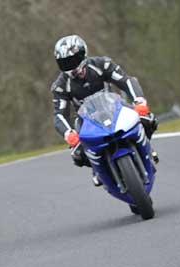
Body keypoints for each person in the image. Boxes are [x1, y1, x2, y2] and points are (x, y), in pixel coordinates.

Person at [51, 35, 158, 186]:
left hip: (115, 108)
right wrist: (69, 135)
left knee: (147, 119)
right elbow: (59, 115)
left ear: (83, 54)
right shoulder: (60, 86)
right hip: (86, 120)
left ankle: (147, 146)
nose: (70, 66)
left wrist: (139, 102)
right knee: (78, 153)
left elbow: (127, 81)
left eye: (73, 60)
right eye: (65, 63)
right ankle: (97, 168)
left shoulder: (103, 64)